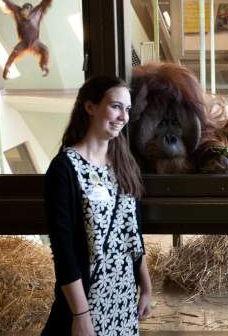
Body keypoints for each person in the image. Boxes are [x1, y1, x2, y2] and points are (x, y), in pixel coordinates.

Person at [42, 76, 152, 335]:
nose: (123, 117)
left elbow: (132, 234)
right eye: (115, 106)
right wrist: (80, 315)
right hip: (87, 300)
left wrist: (146, 288)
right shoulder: (64, 169)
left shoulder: (124, 164)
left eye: (127, 109)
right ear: (90, 107)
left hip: (123, 297)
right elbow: (64, 250)